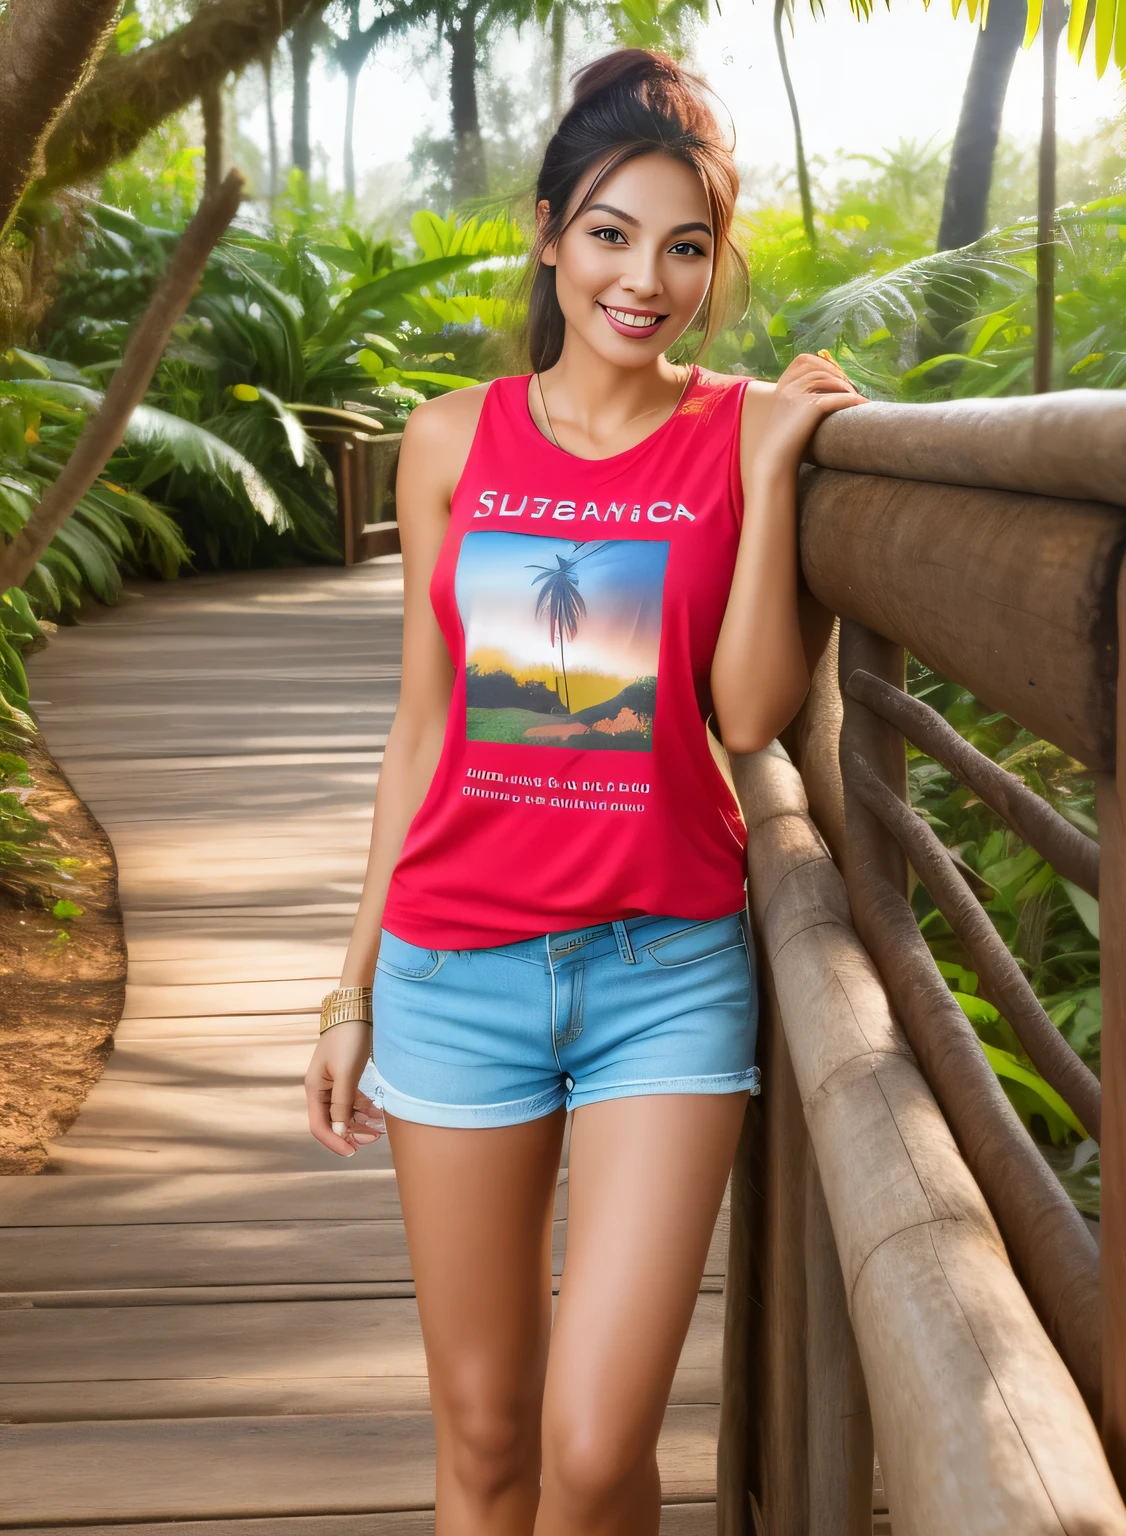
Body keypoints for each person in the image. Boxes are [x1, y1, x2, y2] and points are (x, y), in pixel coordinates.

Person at [304, 47, 865, 1536]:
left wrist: (783, 460)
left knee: (600, 1442)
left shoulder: (739, 430)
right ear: (550, 236)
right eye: (611, 234)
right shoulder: (449, 439)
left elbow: (747, 708)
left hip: (661, 974)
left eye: (686, 246)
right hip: (454, 970)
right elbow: (423, 726)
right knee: (489, 1444)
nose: (647, 278)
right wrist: (348, 987)